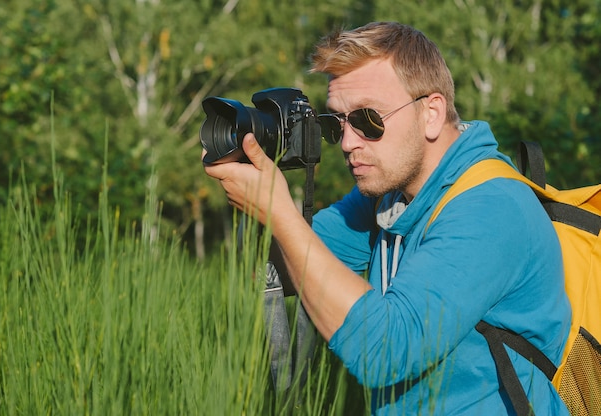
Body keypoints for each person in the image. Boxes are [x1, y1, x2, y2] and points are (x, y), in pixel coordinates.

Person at [203, 21, 571, 415]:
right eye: (335, 123)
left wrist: (279, 210)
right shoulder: (390, 196)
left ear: (431, 113)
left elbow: (384, 352)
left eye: (366, 120)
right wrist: (251, 184)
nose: (347, 142)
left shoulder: (492, 208)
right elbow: (287, 267)